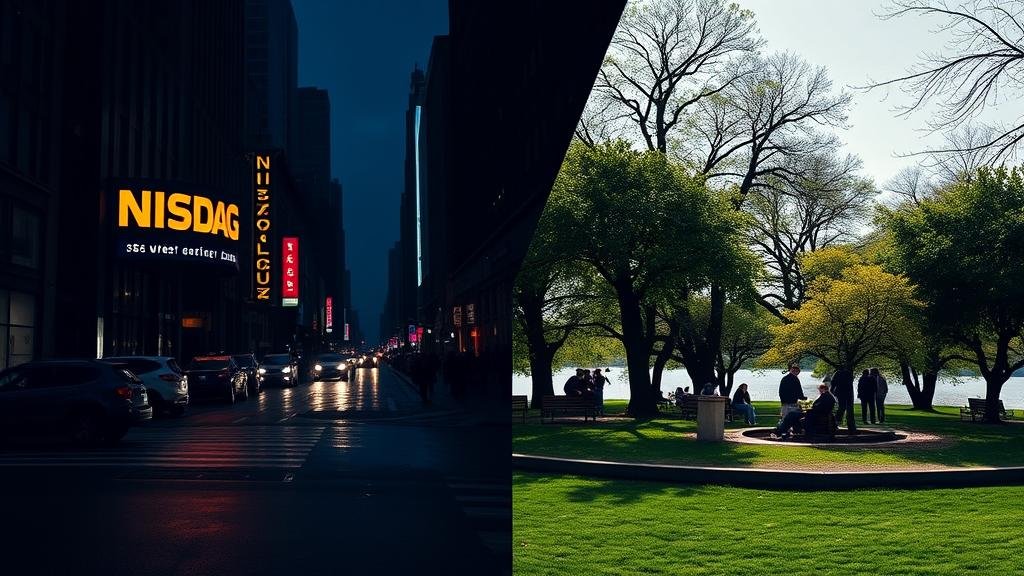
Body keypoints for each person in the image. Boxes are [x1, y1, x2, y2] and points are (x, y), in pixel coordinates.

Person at [830, 366, 856, 432]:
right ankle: (844, 422)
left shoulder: (837, 373)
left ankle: (837, 420)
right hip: (847, 392)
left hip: (840, 392)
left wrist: (831, 391)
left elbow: (833, 383)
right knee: (846, 407)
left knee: (842, 407)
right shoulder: (849, 373)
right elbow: (850, 382)